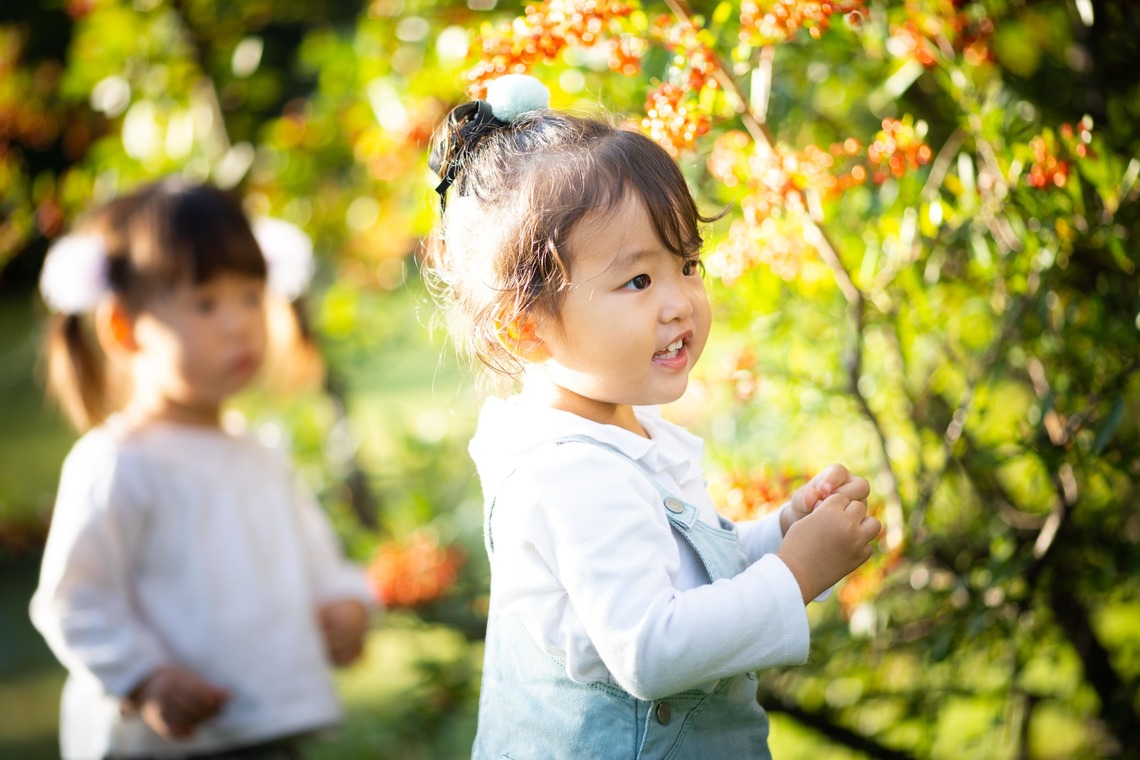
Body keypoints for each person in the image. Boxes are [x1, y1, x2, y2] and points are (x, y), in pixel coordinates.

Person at [424, 74, 882, 759]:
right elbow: (651, 648)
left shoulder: (620, 431)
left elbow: (686, 577)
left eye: (687, 265)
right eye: (638, 280)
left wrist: (782, 533)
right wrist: (794, 574)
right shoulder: (569, 473)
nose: (680, 303)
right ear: (526, 328)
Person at [30, 179, 374, 760]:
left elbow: (320, 565)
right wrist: (144, 678)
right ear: (124, 328)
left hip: (266, 731)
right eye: (207, 303)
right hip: (168, 742)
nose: (239, 324)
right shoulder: (120, 463)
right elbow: (75, 600)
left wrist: (348, 605)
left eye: (251, 297)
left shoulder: (262, 455)